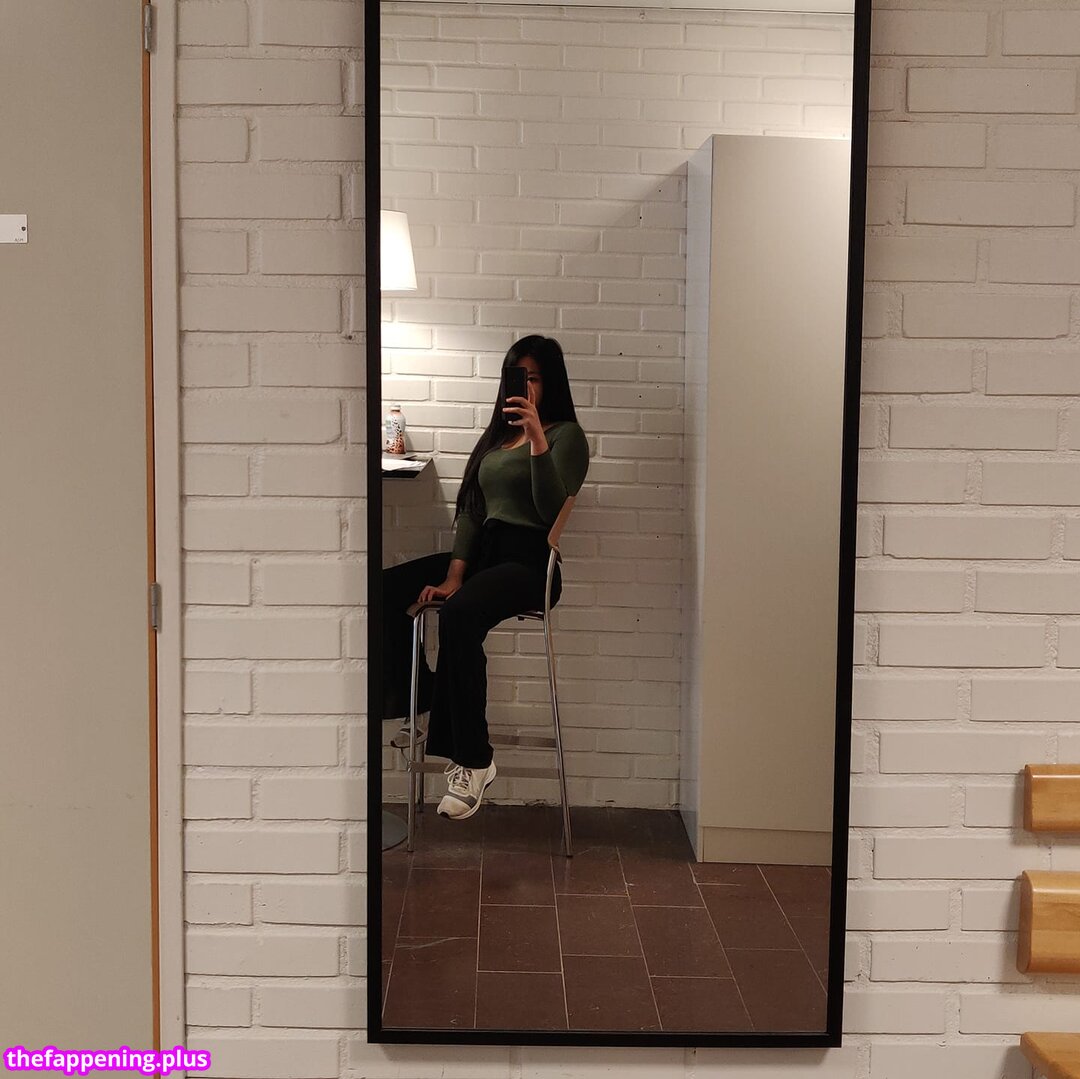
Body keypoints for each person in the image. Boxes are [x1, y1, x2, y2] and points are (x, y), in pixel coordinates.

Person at [383, 335, 589, 820]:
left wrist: (538, 439)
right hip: (484, 557)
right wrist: (455, 574)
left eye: (533, 377)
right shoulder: (497, 440)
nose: (525, 386)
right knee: (385, 590)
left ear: (551, 382)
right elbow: (473, 514)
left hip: (530, 562)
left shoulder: (566, 436)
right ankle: (427, 697)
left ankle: (474, 761)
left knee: (459, 615)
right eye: (518, 377)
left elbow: (549, 511)